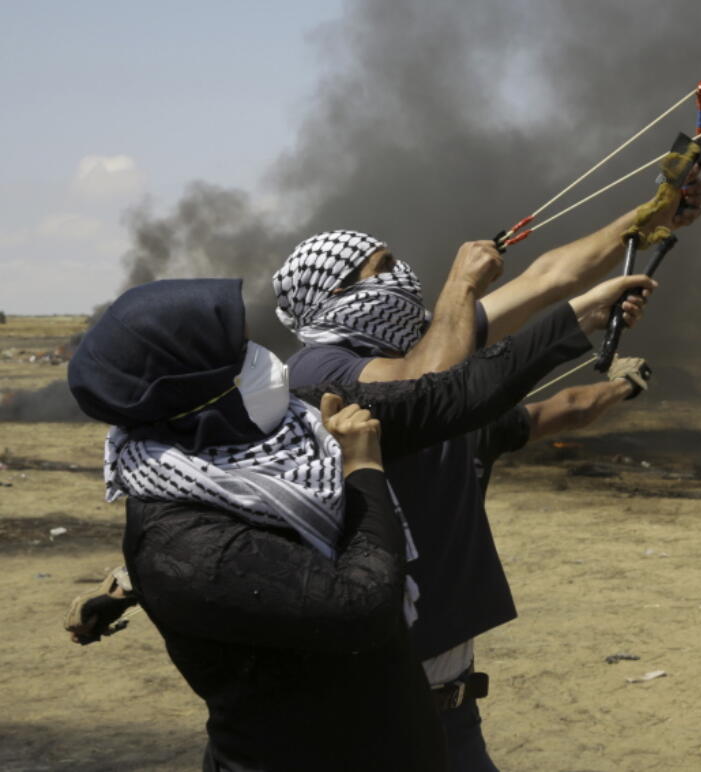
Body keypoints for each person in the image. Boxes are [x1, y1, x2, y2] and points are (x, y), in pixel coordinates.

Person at [66, 274, 628, 771]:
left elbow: (444, 397)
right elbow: (362, 603)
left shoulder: (294, 421)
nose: (261, 356)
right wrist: (362, 468)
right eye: (238, 355)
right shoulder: (185, 543)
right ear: (192, 391)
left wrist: (578, 318)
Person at [273, 188, 698, 769]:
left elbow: (549, 276)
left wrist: (648, 218)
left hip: (447, 703)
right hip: (370, 711)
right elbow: (432, 393)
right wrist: (461, 286)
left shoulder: (427, 337)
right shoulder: (317, 370)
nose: (402, 276)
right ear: (338, 294)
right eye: (384, 268)